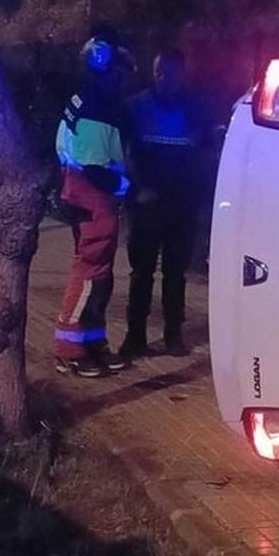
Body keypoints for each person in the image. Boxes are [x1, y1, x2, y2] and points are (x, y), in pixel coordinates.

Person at [53, 28, 134, 378]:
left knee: (100, 275)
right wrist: (129, 187)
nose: (124, 80)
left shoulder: (87, 99)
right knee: (89, 273)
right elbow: (95, 167)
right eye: (120, 73)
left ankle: (92, 341)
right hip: (92, 196)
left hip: (85, 195)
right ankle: (69, 348)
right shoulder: (97, 107)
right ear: (108, 70)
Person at [119, 48, 209, 358]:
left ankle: (173, 334)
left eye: (169, 72)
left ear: (181, 73)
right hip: (146, 205)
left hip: (180, 206)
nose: (163, 78)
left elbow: (204, 154)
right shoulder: (136, 107)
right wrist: (137, 190)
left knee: (175, 274)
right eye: (158, 72)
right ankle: (135, 337)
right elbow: (125, 153)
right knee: (141, 273)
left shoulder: (196, 108)